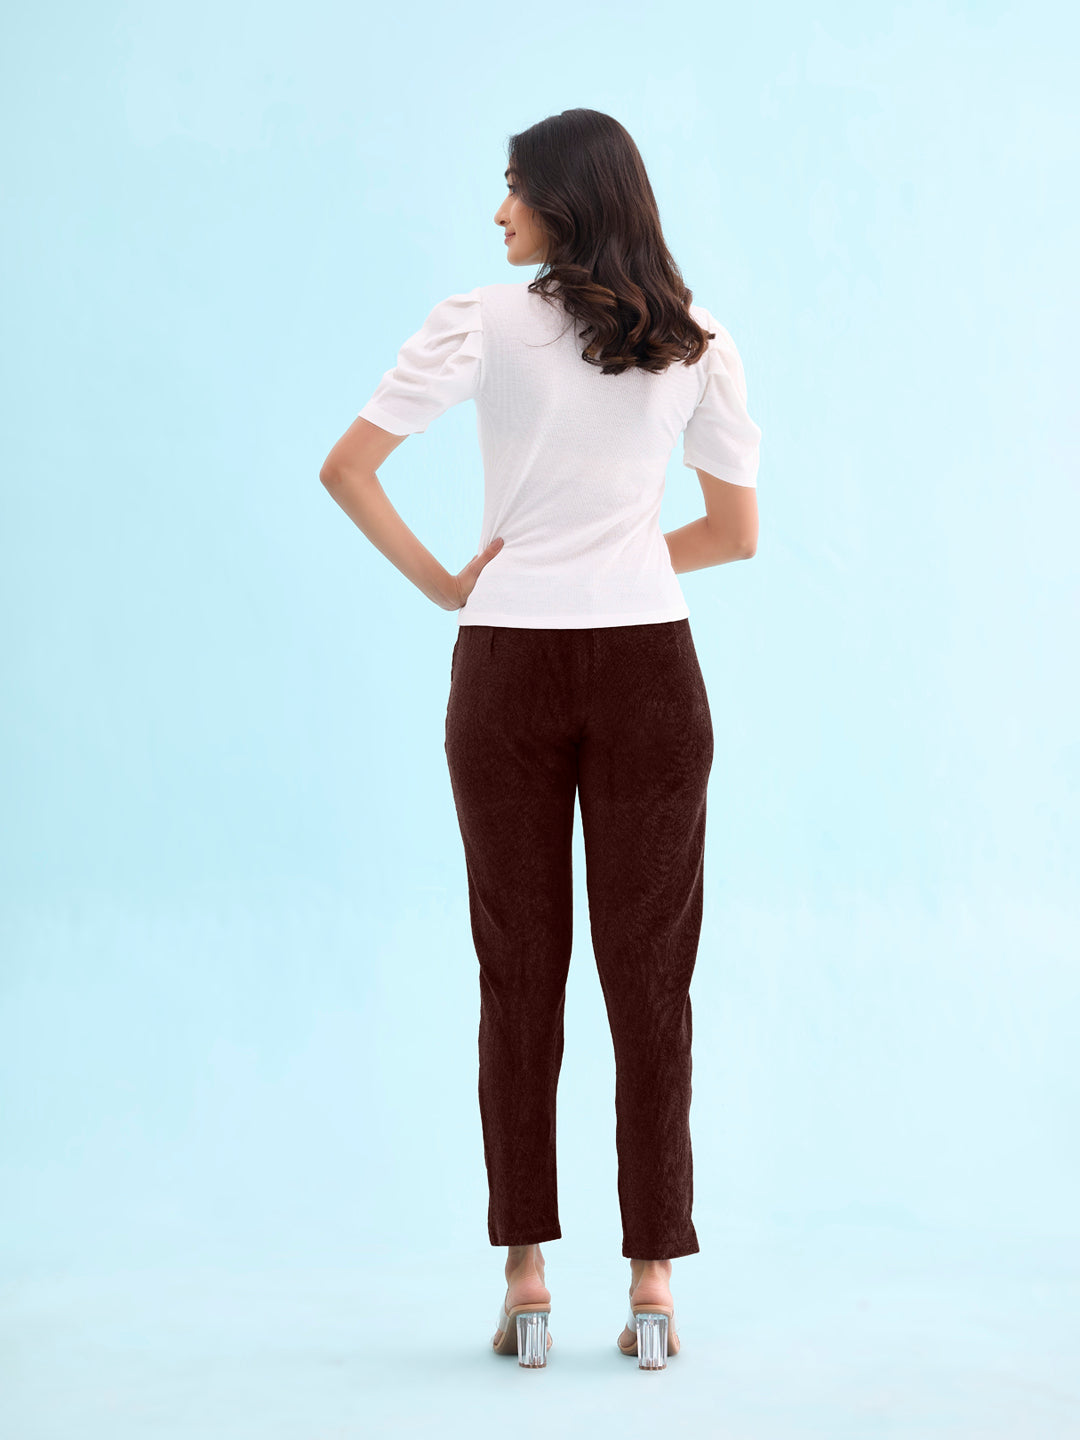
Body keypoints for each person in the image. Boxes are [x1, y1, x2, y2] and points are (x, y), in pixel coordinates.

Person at [319, 108, 762, 1371]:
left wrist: (449, 584)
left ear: (564, 200)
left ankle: (525, 1276)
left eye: (513, 189)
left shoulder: (480, 321)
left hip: (505, 664)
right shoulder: (697, 338)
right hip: (650, 671)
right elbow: (735, 534)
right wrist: (624, 556)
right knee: (651, 979)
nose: (499, 212)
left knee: (518, 972)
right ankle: (654, 1282)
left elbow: (348, 469)